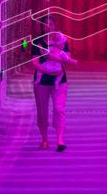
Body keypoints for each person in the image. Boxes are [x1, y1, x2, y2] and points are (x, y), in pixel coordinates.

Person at [31, 15, 77, 151]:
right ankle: (44, 139)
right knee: (42, 111)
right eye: (45, 24)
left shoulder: (62, 41)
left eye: (51, 24)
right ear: (42, 27)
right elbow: (35, 62)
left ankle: (60, 140)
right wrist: (46, 70)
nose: (48, 27)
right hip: (42, 81)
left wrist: (55, 58)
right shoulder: (37, 42)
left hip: (59, 80)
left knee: (59, 109)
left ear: (55, 26)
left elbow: (67, 59)